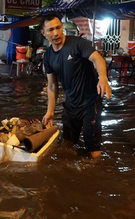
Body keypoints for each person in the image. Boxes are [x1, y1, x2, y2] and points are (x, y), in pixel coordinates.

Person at [40, 14, 112, 159]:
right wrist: (50, 111)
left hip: (90, 104)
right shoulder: (48, 56)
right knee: (66, 146)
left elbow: (98, 59)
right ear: (43, 33)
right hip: (70, 105)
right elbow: (52, 85)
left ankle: (94, 176)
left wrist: (103, 78)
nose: (56, 33)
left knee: (93, 150)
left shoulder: (78, 44)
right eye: (51, 30)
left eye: (58, 27)